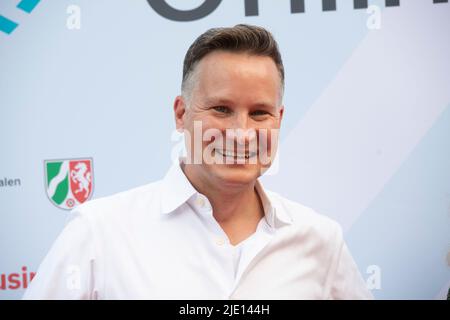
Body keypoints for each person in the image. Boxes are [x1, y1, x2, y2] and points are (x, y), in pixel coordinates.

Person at [23, 24, 372, 299]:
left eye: (260, 113)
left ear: (278, 119)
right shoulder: (99, 232)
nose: (241, 133)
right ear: (181, 114)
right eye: (221, 109)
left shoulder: (321, 240)